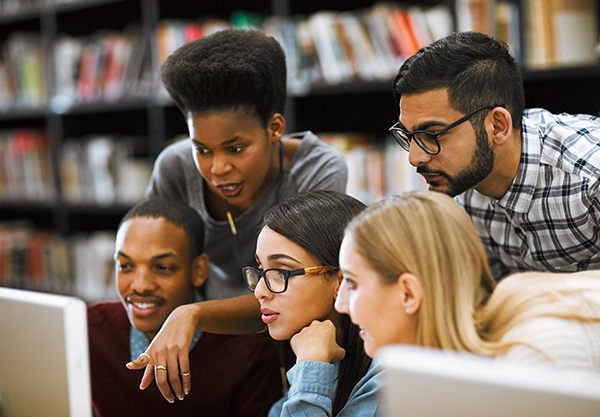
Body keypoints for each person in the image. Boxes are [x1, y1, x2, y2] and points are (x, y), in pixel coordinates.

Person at [135, 28, 348, 400]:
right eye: (201, 149)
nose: (217, 169)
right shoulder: (174, 167)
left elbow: (297, 292)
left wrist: (192, 313)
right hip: (204, 344)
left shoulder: (319, 169)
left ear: (275, 129)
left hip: (293, 342)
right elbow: (150, 265)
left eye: (235, 149)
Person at [389, 31, 600, 280]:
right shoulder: (458, 184)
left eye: (432, 135)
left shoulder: (590, 176)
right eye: (409, 135)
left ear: (497, 126)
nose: (415, 158)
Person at [335, 191, 600, 373]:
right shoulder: (464, 361)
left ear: (408, 293)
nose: (340, 305)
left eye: (352, 283)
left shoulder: (536, 352)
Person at [87, 198, 283, 417]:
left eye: (162, 267)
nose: (140, 285)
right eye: (125, 266)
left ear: (198, 271)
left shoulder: (249, 358)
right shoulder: (90, 330)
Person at [245, 190, 381, 416]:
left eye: (281, 272)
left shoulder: (387, 381)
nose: (260, 291)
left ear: (342, 281)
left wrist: (312, 365)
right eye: (261, 271)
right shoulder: (311, 357)